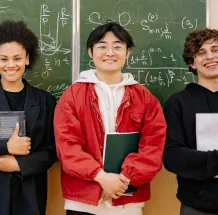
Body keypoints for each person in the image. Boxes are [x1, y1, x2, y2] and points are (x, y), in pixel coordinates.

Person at [54, 22, 166, 215]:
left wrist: (122, 181)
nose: (110, 52)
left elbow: (153, 146)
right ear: (90, 51)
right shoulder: (72, 96)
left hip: (127, 201)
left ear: (127, 52)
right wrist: (101, 178)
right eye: (102, 46)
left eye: (117, 46)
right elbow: (67, 147)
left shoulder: (145, 98)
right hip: (82, 201)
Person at [0, 20, 57, 215]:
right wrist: (6, 147)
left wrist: (20, 164)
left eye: (17, 58)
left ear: (27, 59)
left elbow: (52, 150)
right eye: (4, 59)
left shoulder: (45, 101)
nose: (11, 65)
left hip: (30, 196)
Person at [163, 28, 218, 215]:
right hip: (197, 208)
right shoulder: (177, 103)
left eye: (215, 49)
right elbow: (172, 158)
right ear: (192, 63)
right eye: (201, 53)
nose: (210, 56)